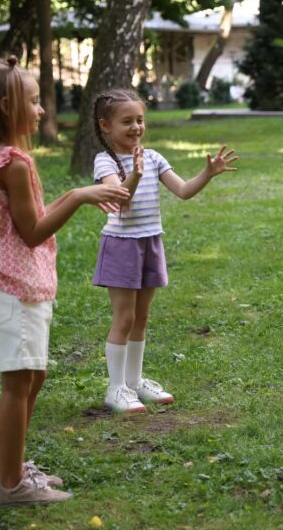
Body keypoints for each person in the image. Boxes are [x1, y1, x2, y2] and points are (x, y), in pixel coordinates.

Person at [0, 57, 130, 506]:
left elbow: (26, 218)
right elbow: (33, 232)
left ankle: (8, 470)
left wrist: (76, 197)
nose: (40, 110)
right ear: (5, 107)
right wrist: (78, 195)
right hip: (13, 289)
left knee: (33, 377)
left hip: (14, 287)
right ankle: (12, 486)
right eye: (33, 102)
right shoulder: (12, 163)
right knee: (19, 385)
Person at [91, 89, 237, 413]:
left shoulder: (153, 157)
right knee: (124, 317)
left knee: (141, 317)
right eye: (126, 121)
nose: (136, 127)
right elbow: (120, 200)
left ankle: (133, 382)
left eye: (140, 120)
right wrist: (134, 176)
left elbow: (183, 191)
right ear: (105, 126)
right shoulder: (106, 161)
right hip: (121, 246)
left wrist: (207, 174)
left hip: (149, 242)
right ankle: (115, 388)